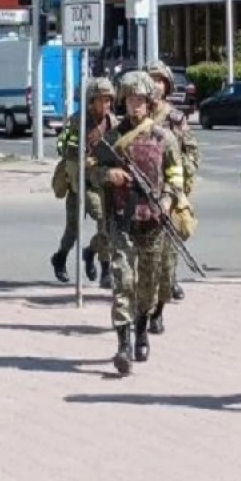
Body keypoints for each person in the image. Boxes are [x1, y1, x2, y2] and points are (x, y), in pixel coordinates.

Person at [89, 71, 185, 375]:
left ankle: (142, 329)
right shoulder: (112, 140)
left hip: (153, 223)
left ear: (149, 102)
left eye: (141, 100)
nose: (136, 106)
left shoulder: (163, 138)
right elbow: (90, 170)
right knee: (123, 281)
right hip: (121, 222)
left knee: (147, 286)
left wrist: (169, 199)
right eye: (130, 99)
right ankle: (122, 345)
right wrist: (108, 176)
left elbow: (175, 175)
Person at [145, 59, 200, 329]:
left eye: (159, 80)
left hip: (170, 192)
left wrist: (181, 185)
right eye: (151, 78)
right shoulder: (136, 119)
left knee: (173, 244)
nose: (155, 84)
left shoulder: (175, 118)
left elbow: (191, 153)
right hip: (142, 197)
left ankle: (160, 305)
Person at [51, 76, 117, 286]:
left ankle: (103, 266)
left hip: (104, 183)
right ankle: (60, 258)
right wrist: (81, 160)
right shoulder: (77, 122)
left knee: (105, 223)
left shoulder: (113, 123)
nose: (105, 104)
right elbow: (63, 148)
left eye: (108, 100)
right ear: (91, 101)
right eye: (100, 100)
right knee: (73, 230)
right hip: (79, 182)